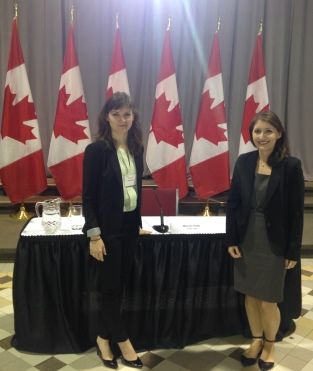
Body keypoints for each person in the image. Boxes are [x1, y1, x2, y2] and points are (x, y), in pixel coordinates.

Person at [226, 111, 304, 371]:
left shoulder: (291, 166)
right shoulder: (244, 162)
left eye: (268, 131)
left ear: (279, 134)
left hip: (274, 242)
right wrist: (231, 238)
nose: (262, 136)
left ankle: (270, 343)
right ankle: (256, 340)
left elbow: (296, 213)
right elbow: (234, 203)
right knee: (250, 296)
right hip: (247, 237)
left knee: (268, 299)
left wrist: (293, 250)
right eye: (257, 131)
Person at [82, 92, 144, 369]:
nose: (122, 119)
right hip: (106, 233)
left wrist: (137, 224)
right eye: (117, 114)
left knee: (118, 288)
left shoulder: (136, 147)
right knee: (109, 289)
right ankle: (123, 342)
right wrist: (94, 235)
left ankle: (102, 337)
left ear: (133, 117)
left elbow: (134, 189)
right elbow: (88, 198)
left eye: (127, 114)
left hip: (129, 229)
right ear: (107, 117)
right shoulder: (96, 151)